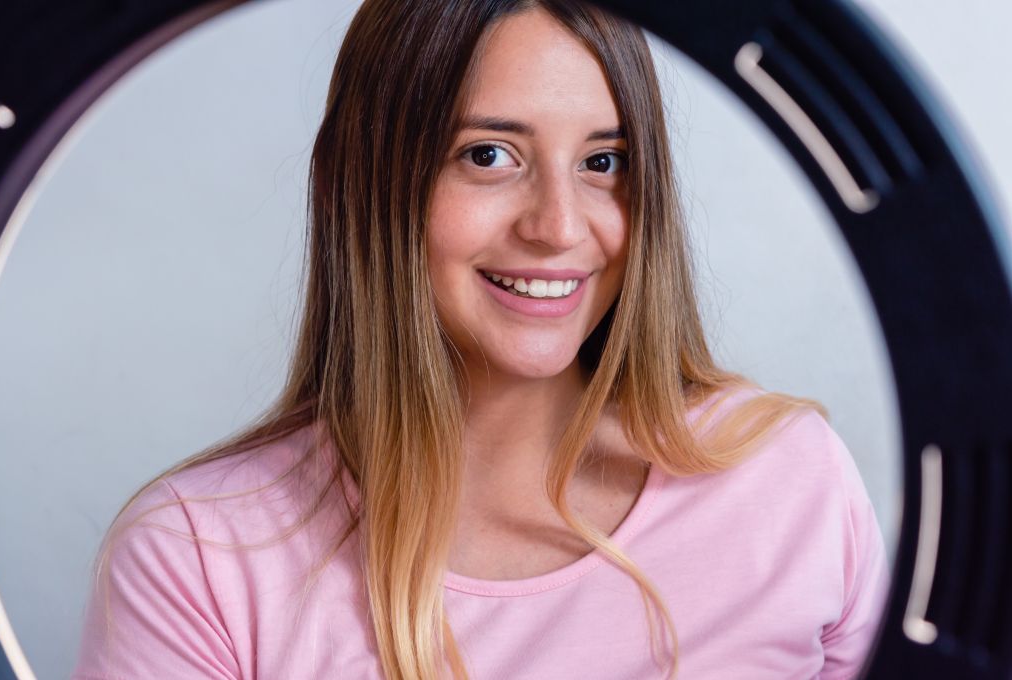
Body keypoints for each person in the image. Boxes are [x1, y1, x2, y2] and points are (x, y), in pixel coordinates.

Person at [72, 1, 890, 678]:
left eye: (603, 162)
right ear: (368, 183)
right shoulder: (200, 559)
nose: (560, 228)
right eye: (489, 155)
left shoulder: (788, 480)